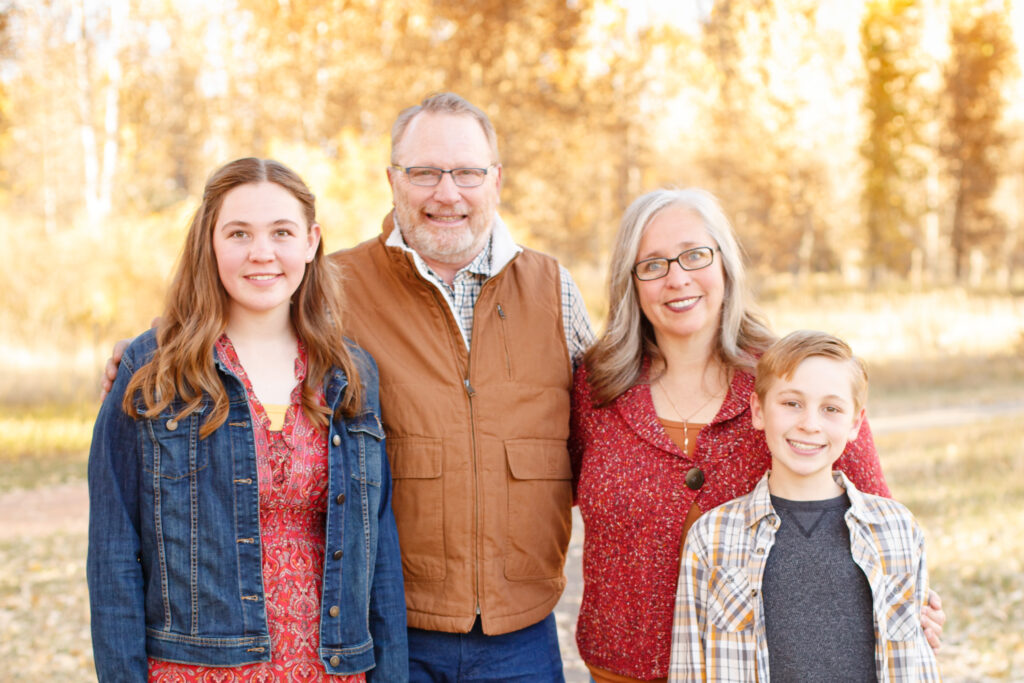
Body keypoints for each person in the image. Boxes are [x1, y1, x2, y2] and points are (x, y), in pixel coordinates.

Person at [103, 94, 594, 681]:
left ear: (495, 180)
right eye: (424, 173)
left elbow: (605, 427)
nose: (447, 192)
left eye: (467, 172)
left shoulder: (553, 289)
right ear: (392, 180)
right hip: (387, 630)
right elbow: (247, 299)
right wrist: (149, 349)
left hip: (519, 636)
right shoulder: (338, 287)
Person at [569, 188, 943, 682]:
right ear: (630, 281)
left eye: (694, 255)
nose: (677, 277)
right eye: (653, 264)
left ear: (724, 263)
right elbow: (541, 495)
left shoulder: (789, 381)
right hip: (622, 670)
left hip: (759, 668)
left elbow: (873, 522)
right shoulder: (596, 386)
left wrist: (915, 607)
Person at [88, 158, 407, 682]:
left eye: (281, 232)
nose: (262, 253)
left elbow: (380, 557)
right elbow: (114, 556)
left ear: (310, 242)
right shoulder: (152, 371)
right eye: (239, 233)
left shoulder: (350, 375)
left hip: (331, 669)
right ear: (209, 243)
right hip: (196, 671)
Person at [668, 330, 942, 681]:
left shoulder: (897, 529)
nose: (809, 424)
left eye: (831, 408)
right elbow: (688, 667)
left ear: (856, 422)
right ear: (758, 411)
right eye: (792, 403)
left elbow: (915, 664)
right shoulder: (713, 536)